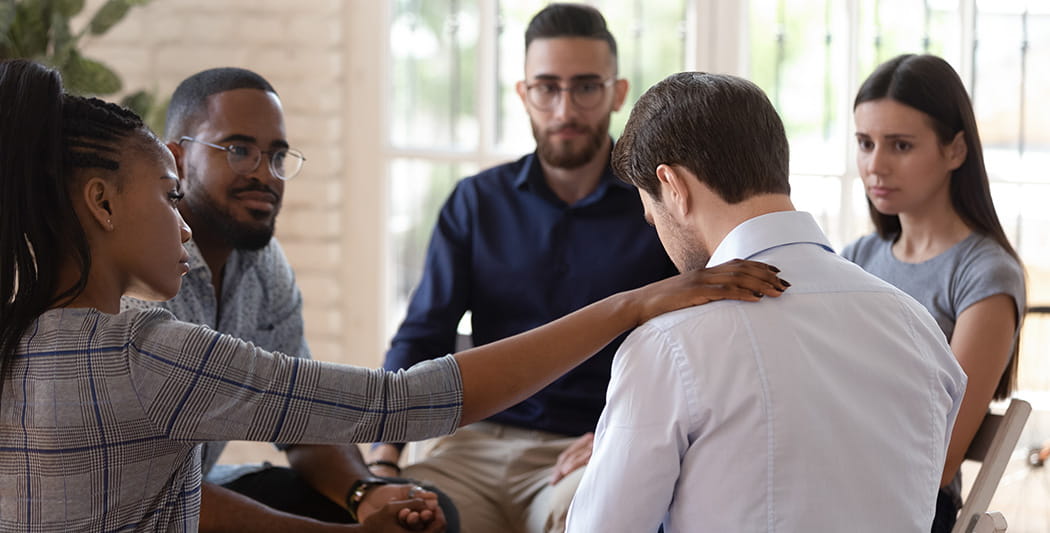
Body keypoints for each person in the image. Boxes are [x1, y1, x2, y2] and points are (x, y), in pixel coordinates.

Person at [0, 59, 788, 533]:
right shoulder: (142, 349)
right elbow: (404, 400)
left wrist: (362, 489)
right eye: (166, 196)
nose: (178, 220)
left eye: (279, 154)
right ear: (102, 205)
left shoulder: (28, 335)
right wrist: (635, 303)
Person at [565, 72, 967, 532]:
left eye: (650, 212)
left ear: (673, 187)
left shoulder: (669, 346)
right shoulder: (919, 330)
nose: (655, 229)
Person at [370, 4, 677, 532]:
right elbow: (423, 335)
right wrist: (383, 457)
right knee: (414, 518)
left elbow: (693, 342)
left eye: (585, 87)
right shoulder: (475, 203)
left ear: (618, 93)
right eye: (546, 88)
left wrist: (626, 433)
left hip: (589, 446)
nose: (564, 109)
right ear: (523, 94)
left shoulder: (659, 209)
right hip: (472, 445)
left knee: (596, 516)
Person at [120, 66, 459, 533]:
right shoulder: (137, 272)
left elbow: (300, 418)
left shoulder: (263, 265)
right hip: (134, 511)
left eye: (277, 156)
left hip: (198, 491)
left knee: (420, 513)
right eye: (239, 150)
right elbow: (150, 490)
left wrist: (364, 495)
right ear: (177, 158)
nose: (265, 174)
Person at [841, 53, 1027, 533]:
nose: (875, 165)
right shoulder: (857, 256)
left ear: (955, 151)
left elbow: (937, 461)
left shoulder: (985, 275)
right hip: (835, 485)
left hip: (908, 510)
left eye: (900, 145)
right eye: (865, 143)